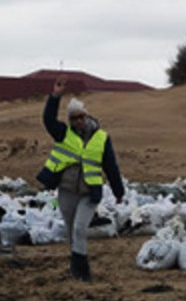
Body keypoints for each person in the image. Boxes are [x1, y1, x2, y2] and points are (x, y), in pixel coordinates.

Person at [36, 77, 125, 281]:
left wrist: (119, 192)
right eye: (74, 118)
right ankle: (76, 270)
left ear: (86, 116)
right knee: (71, 231)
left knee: (79, 228)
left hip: (89, 193)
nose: (78, 122)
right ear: (69, 120)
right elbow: (48, 120)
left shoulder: (101, 137)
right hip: (67, 191)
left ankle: (83, 272)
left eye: (81, 117)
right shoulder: (63, 134)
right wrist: (55, 97)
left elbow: (111, 166)